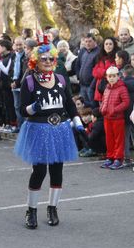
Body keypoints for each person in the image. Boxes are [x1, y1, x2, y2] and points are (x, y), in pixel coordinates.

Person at [14, 36, 83, 229]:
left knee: (57, 170)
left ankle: (52, 208)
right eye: (43, 59)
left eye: (50, 59)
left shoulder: (60, 78)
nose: (47, 62)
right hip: (38, 129)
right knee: (39, 171)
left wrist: (77, 122)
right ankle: (31, 210)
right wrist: (33, 108)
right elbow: (21, 110)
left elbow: (69, 103)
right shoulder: (29, 81)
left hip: (59, 129)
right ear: (36, 60)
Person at [99, 66, 130, 170]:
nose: (111, 78)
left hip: (117, 118)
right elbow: (104, 100)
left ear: (118, 76)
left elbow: (126, 102)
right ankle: (110, 157)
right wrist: (102, 108)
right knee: (109, 139)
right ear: (107, 77)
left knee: (118, 139)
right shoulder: (107, 88)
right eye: (109, 76)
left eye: (113, 76)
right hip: (107, 117)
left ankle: (118, 158)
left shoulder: (122, 88)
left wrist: (115, 109)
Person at [92, 37, 118, 103]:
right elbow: (94, 72)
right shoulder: (100, 57)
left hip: (111, 88)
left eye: (110, 44)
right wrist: (105, 72)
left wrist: (102, 72)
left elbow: (113, 72)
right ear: (103, 46)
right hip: (100, 87)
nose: (108, 46)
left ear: (114, 45)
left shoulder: (116, 57)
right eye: (106, 44)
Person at [75, 33, 99, 106]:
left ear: (95, 42)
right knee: (83, 106)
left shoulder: (98, 52)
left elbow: (97, 70)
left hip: (91, 86)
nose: (88, 43)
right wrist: (78, 76)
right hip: (82, 84)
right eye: (86, 41)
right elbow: (77, 64)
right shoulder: (83, 51)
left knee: (92, 105)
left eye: (90, 41)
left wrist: (92, 85)